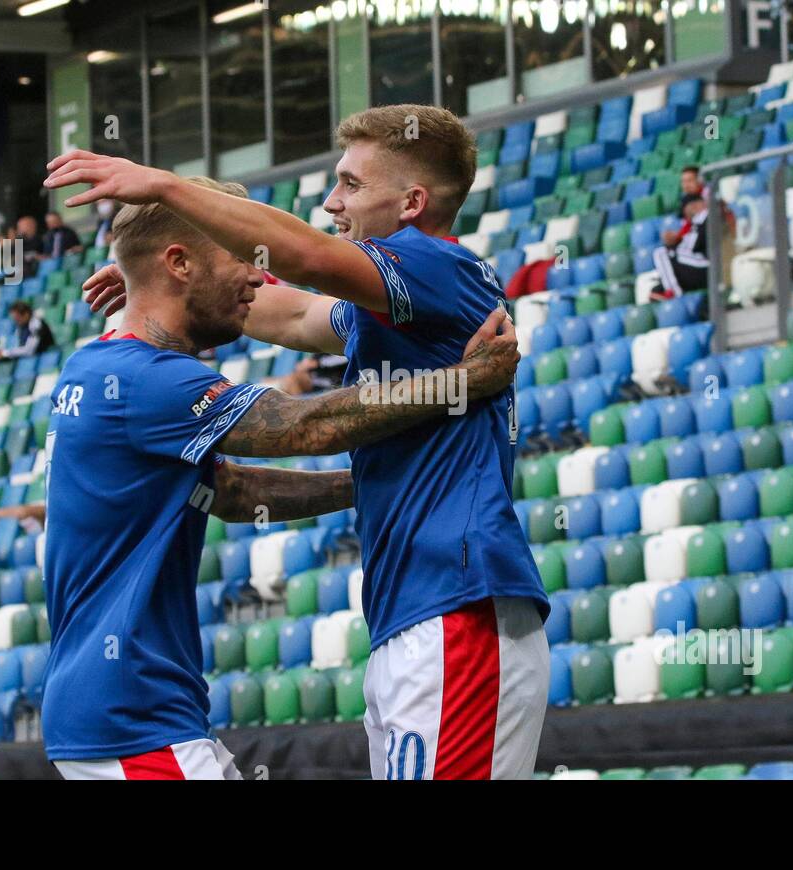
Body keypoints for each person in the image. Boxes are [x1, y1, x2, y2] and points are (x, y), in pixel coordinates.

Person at [51, 103, 550, 781]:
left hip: (456, 603)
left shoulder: (432, 264)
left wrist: (165, 190)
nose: (331, 201)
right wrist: (166, 274)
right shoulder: (392, 307)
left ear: (411, 203)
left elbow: (308, 267)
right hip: (416, 614)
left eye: (350, 184)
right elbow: (291, 313)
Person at [651, 192, 710, 301]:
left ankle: (674, 294)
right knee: (657, 287)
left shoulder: (704, 216)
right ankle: (668, 290)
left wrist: (676, 243)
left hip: (709, 264)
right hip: (705, 265)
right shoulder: (699, 222)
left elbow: (694, 246)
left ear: (693, 206)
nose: (686, 217)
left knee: (661, 253)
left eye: (685, 213)